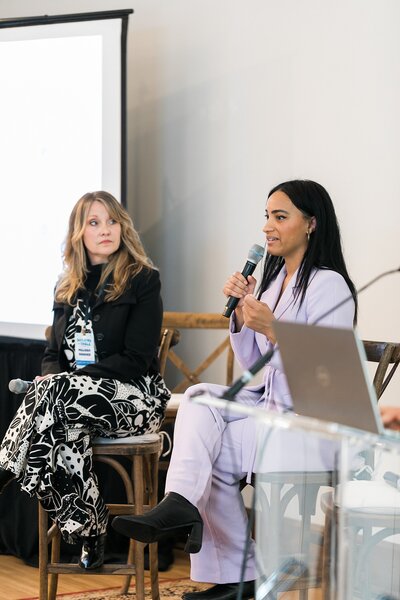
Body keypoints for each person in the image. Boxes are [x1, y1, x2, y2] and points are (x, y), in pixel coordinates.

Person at [112, 179, 357, 600]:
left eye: (280, 217)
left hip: (312, 425)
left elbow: (326, 370)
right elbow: (255, 364)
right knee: (199, 397)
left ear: (311, 224)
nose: (267, 227)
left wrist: (274, 328)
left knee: (214, 453)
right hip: (273, 410)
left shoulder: (329, 284)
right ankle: (191, 516)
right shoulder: (275, 283)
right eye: (267, 216)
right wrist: (244, 320)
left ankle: (221, 555)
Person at [0, 191, 170, 570]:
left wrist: (64, 382)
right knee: (63, 424)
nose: (105, 230)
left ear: (122, 227)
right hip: (70, 402)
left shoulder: (143, 280)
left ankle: (9, 466)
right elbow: (52, 355)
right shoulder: (66, 287)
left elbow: (137, 359)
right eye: (94, 222)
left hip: (133, 399)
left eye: (111, 221)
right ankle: (92, 528)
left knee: (55, 397)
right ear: (79, 233)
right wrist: (53, 380)